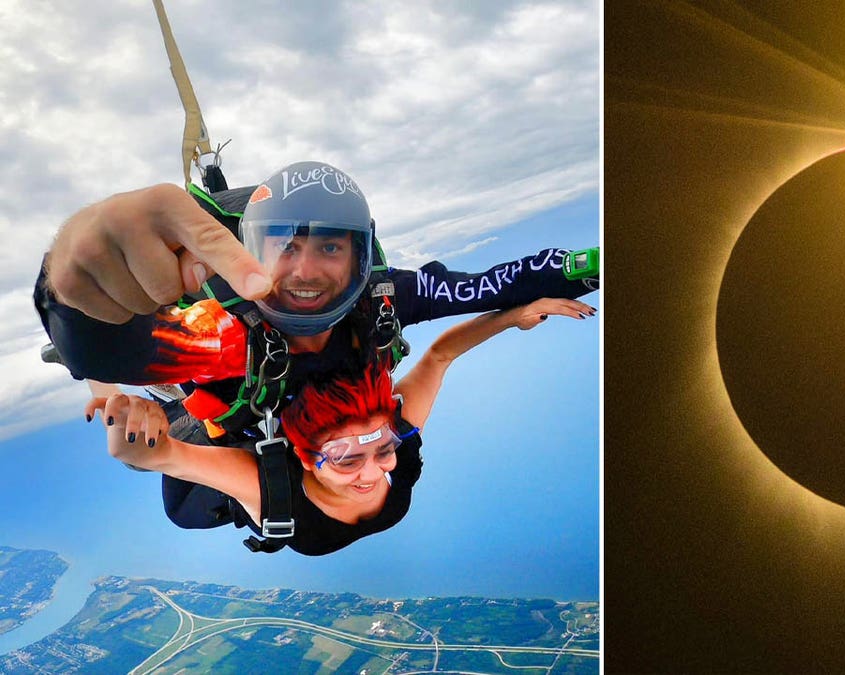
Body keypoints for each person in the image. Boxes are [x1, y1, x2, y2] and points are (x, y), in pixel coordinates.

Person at [37, 160, 598, 441]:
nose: (305, 271)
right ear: (249, 250)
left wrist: (592, 269)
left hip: (299, 413)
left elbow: (495, 284)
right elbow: (111, 349)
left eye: (329, 245)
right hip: (231, 405)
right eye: (285, 245)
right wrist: (65, 287)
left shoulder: (385, 299)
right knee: (185, 492)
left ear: (360, 258)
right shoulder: (226, 341)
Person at [88, 297, 591, 556]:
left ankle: (147, 372)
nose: (373, 472)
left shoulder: (268, 490)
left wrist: (125, 414)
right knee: (228, 397)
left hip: (196, 500)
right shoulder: (388, 469)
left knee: (172, 409)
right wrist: (516, 315)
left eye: (370, 453)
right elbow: (440, 355)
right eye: (359, 456)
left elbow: (156, 456)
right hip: (274, 445)